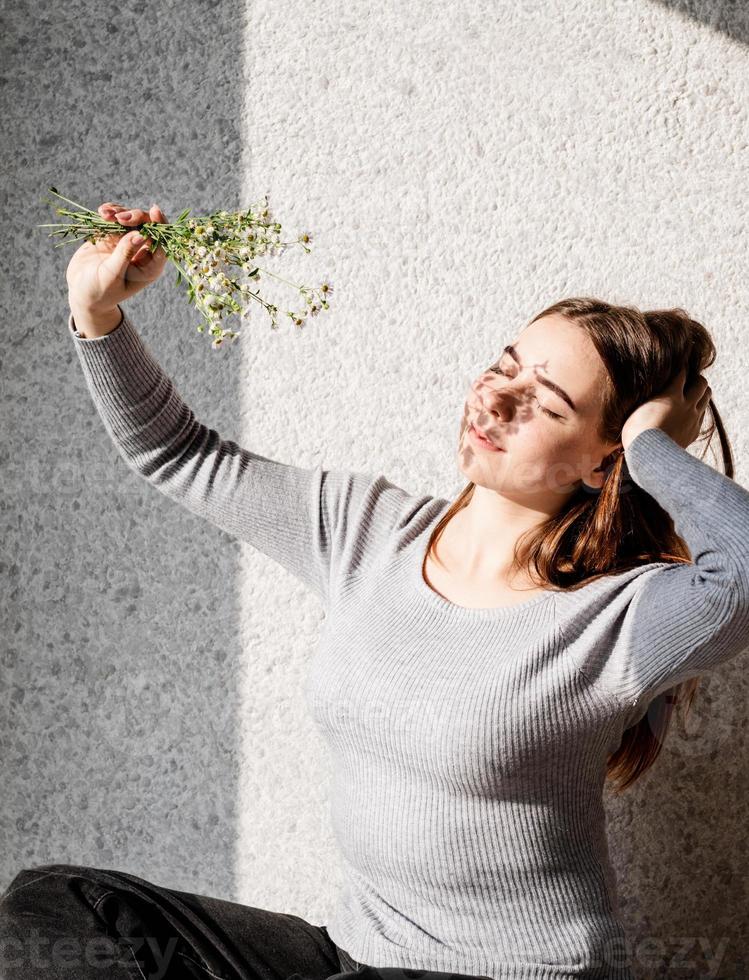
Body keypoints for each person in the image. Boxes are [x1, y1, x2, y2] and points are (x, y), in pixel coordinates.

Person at [2, 202, 747, 980]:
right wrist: (97, 311)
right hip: (359, 960)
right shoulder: (365, 529)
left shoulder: (619, 617)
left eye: (546, 403)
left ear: (598, 462)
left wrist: (649, 445)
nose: (495, 400)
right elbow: (179, 453)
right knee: (59, 907)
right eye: (505, 364)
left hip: (518, 976)